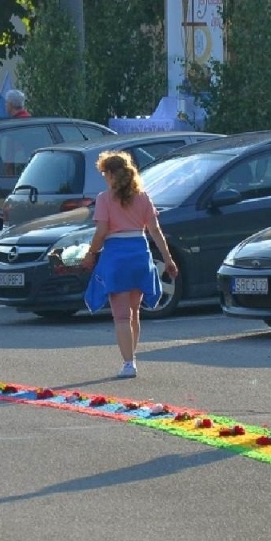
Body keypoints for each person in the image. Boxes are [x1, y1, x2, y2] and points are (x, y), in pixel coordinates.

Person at [78, 151, 177, 378]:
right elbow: (155, 231)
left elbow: (102, 231)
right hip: (140, 254)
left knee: (121, 316)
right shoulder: (143, 197)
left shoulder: (104, 198)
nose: (104, 177)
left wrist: (91, 253)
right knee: (134, 313)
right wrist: (168, 259)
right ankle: (132, 358)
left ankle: (128, 362)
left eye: (104, 173)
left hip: (117, 256)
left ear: (112, 174)